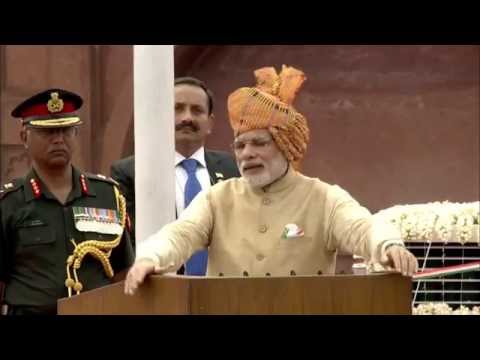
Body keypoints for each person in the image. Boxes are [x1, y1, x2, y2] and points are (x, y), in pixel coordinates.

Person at [124, 65, 418, 296]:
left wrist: (388, 246)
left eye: (259, 143)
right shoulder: (217, 198)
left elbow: (363, 227)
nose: (247, 154)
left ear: (285, 146)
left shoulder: (323, 197)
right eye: (240, 146)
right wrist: (150, 257)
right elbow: (180, 235)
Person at [0, 89, 134, 315]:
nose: (59, 139)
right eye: (48, 131)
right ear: (24, 137)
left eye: (66, 130)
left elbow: (122, 272)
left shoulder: (107, 195)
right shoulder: (9, 203)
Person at [111, 77, 240, 275]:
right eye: (177, 108)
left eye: (197, 110)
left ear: (210, 122)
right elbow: (125, 244)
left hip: (225, 289)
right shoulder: (131, 171)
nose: (187, 117)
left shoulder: (234, 168)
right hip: (162, 290)